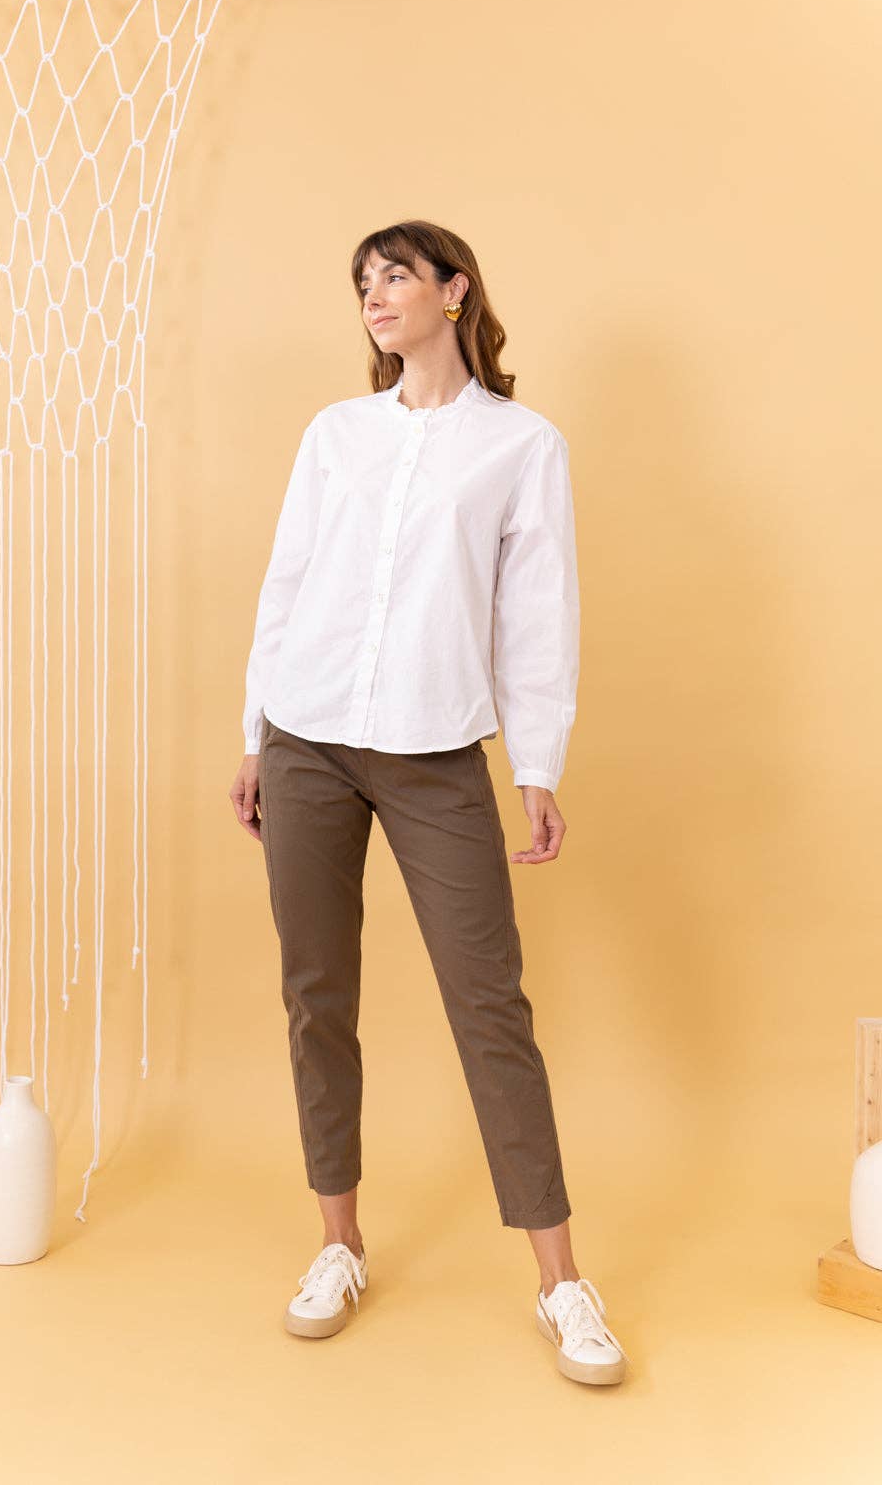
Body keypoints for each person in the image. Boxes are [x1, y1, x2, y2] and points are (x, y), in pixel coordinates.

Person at [229, 220, 629, 1385]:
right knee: (316, 995)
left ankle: (561, 1282)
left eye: (394, 275)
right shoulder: (335, 434)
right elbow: (287, 583)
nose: (373, 294)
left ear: (454, 292)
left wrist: (535, 764)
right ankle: (338, 1246)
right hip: (305, 739)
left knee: (489, 1006)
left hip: (433, 748)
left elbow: (536, 615)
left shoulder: (521, 445)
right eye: (361, 280)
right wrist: (253, 735)